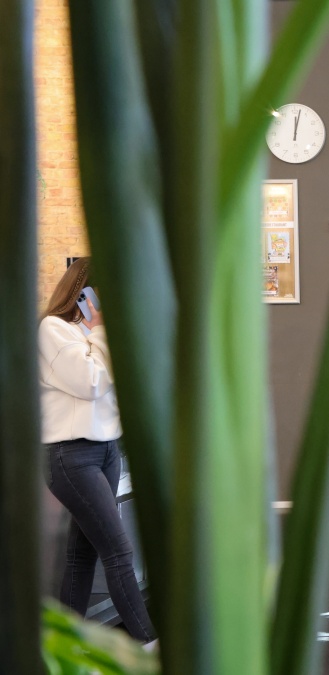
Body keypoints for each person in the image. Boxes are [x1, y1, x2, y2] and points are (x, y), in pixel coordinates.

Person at [39, 257, 156, 645]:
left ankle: (63, 646)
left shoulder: (94, 333)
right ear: (83, 292)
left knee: (82, 555)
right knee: (119, 552)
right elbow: (89, 382)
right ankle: (151, 646)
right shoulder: (53, 329)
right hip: (71, 455)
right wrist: (102, 332)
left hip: (105, 450)